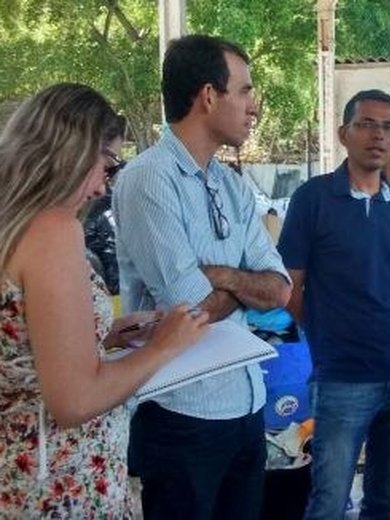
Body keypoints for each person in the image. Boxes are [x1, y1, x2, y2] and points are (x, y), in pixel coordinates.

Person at [0, 83, 209, 516]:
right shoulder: (53, 230)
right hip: (60, 485)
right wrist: (164, 345)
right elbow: (75, 400)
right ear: (71, 150)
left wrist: (106, 334)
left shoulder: (13, 227)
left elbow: (20, 341)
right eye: (106, 164)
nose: (101, 187)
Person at [112, 35, 292, 519]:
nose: (253, 107)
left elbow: (278, 287)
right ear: (209, 96)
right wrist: (240, 282)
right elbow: (188, 309)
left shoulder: (229, 184)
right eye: (245, 91)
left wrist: (221, 276)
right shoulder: (149, 178)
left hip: (245, 406)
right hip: (180, 414)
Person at [279, 89, 390, 519]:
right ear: (344, 134)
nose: (378, 135)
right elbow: (288, 290)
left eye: (388, 126)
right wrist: (326, 336)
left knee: (382, 502)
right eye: (367, 124)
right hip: (342, 382)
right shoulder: (313, 199)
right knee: (328, 502)